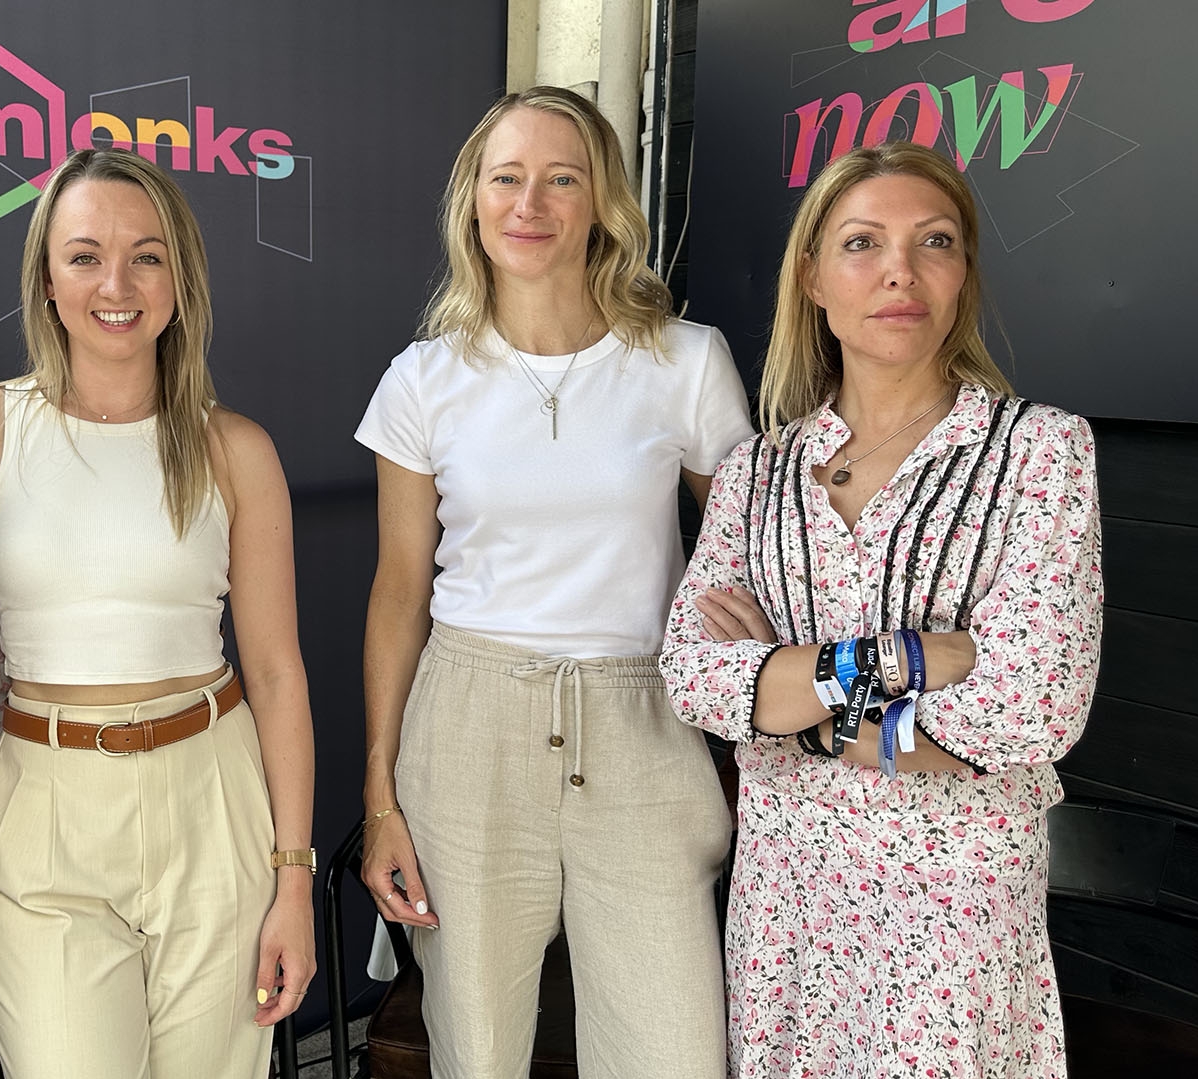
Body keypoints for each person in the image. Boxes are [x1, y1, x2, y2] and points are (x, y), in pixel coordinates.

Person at [659, 141, 1103, 1077]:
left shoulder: (1040, 454)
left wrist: (793, 706)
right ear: (813, 277)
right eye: (863, 243)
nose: (900, 270)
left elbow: (1028, 708)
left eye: (933, 241)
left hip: (955, 908)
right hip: (789, 902)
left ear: (962, 276)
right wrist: (918, 658)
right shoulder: (759, 471)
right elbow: (697, 675)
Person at [354, 86, 753, 1077]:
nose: (529, 201)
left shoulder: (686, 363)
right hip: (467, 729)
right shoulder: (422, 379)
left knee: (673, 1051)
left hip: (642, 724)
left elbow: (748, 550)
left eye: (560, 178)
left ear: (600, 203)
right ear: (475, 203)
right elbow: (400, 592)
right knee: (476, 1049)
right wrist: (381, 792)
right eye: (507, 177)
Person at [0, 147, 316, 1079]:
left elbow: (274, 672)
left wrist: (293, 878)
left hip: (214, 799)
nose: (117, 283)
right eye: (84, 255)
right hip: (43, 807)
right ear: (46, 277)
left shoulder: (235, 449)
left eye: (146, 255)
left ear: (180, 277)